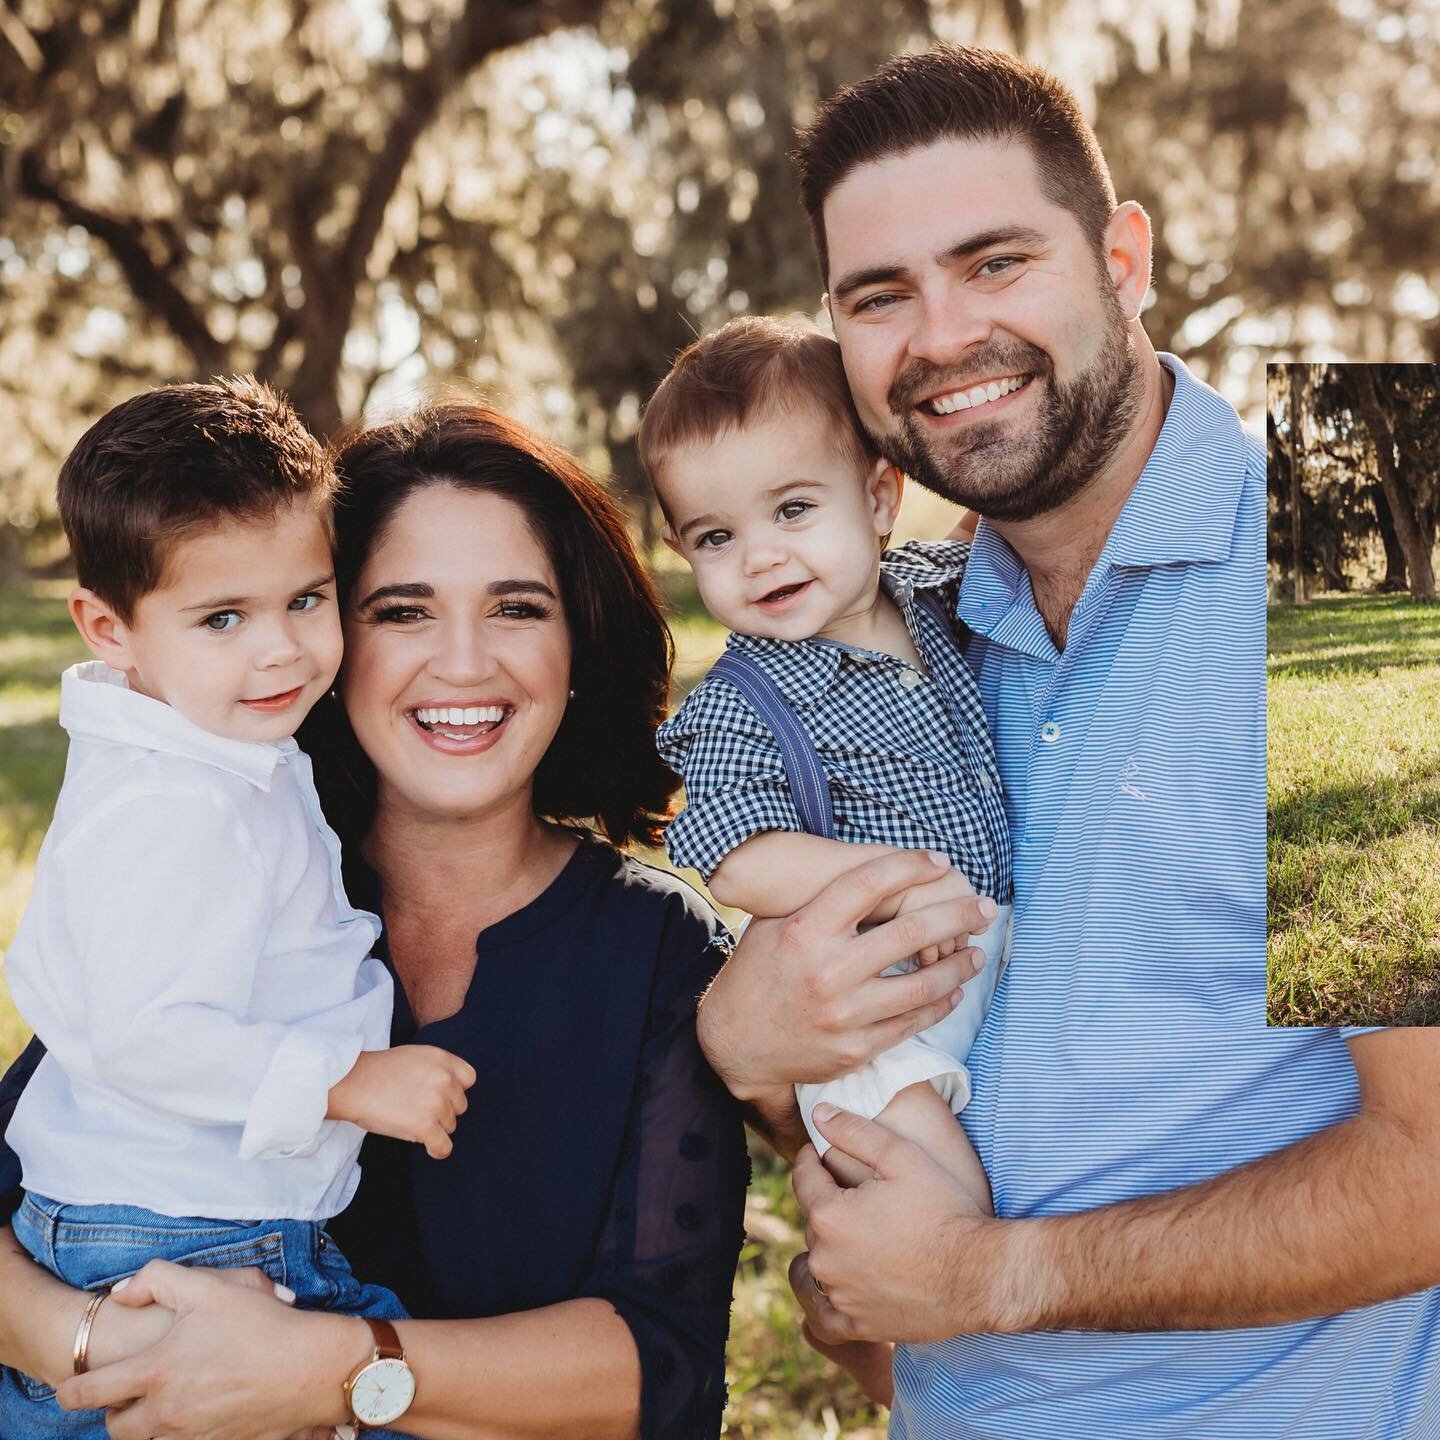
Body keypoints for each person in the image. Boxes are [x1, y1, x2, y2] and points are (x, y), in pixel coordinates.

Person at [692, 44, 1440, 1438]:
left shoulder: (1348, 581)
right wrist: (752, 1053)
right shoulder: (906, 622)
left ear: (1124, 256)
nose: (941, 335)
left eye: (995, 262)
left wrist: (992, 1276)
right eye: (880, 296)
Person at [0, 398, 749, 1440]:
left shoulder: (658, 951)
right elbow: (59, 1135)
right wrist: (91, 1347)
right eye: (401, 610)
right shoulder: (250, 868)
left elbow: (661, 1369)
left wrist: (339, 1370)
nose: (463, 662)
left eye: (517, 608)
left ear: (578, 640)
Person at [0, 376, 483, 1438]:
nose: (280, 649)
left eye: (305, 600)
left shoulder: (205, 749)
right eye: (223, 617)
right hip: (175, 1235)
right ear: (106, 626)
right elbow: (148, 1038)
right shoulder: (176, 806)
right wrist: (348, 1081)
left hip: (180, 1215)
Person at [637, 315, 1008, 1210]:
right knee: (931, 1184)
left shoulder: (937, 592)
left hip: (997, 965)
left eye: (793, 510)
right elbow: (738, 854)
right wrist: (887, 880)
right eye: (716, 537)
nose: (761, 555)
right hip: (878, 1022)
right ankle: (965, 1306)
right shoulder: (744, 700)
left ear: (880, 498)